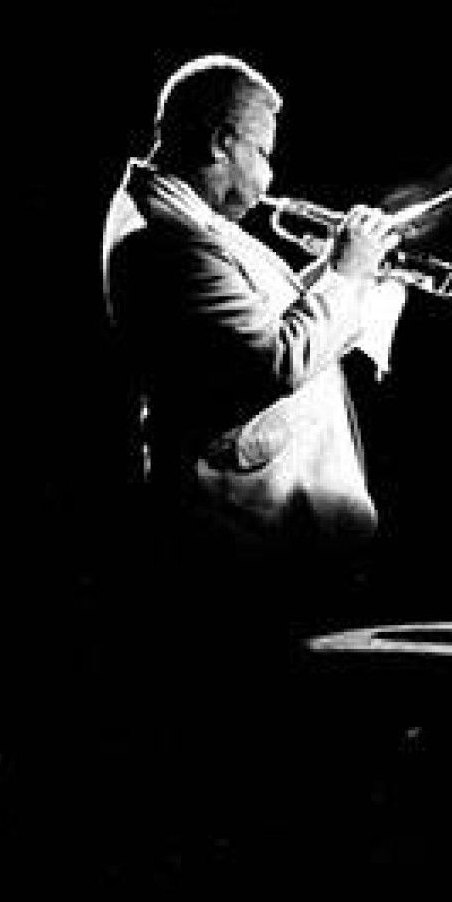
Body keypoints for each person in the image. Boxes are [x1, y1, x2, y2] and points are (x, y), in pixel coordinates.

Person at [99, 52, 409, 662]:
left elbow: (257, 320)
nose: (269, 177)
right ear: (221, 141)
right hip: (249, 551)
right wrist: (345, 275)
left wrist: (336, 272)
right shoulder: (165, 236)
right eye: (262, 153)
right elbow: (276, 360)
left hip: (273, 541)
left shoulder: (191, 215)